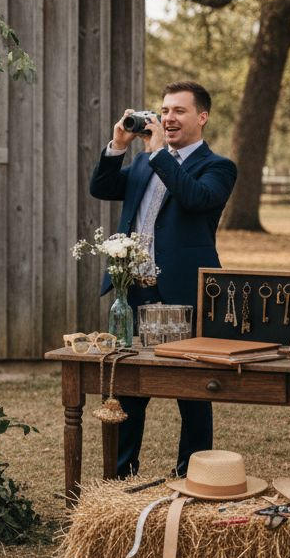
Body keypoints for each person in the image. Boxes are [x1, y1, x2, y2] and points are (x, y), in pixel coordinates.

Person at [88, 81, 237, 477]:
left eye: (179, 111)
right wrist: (118, 145)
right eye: (165, 110)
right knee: (128, 388)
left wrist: (158, 154)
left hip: (185, 294)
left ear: (202, 117)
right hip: (134, 293)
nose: (168, 118)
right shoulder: (142, 163)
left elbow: (194, 198)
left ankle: (193, 475)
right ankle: (121, 474)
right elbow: (101, 187)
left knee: (193, 391)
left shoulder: (218, 167)